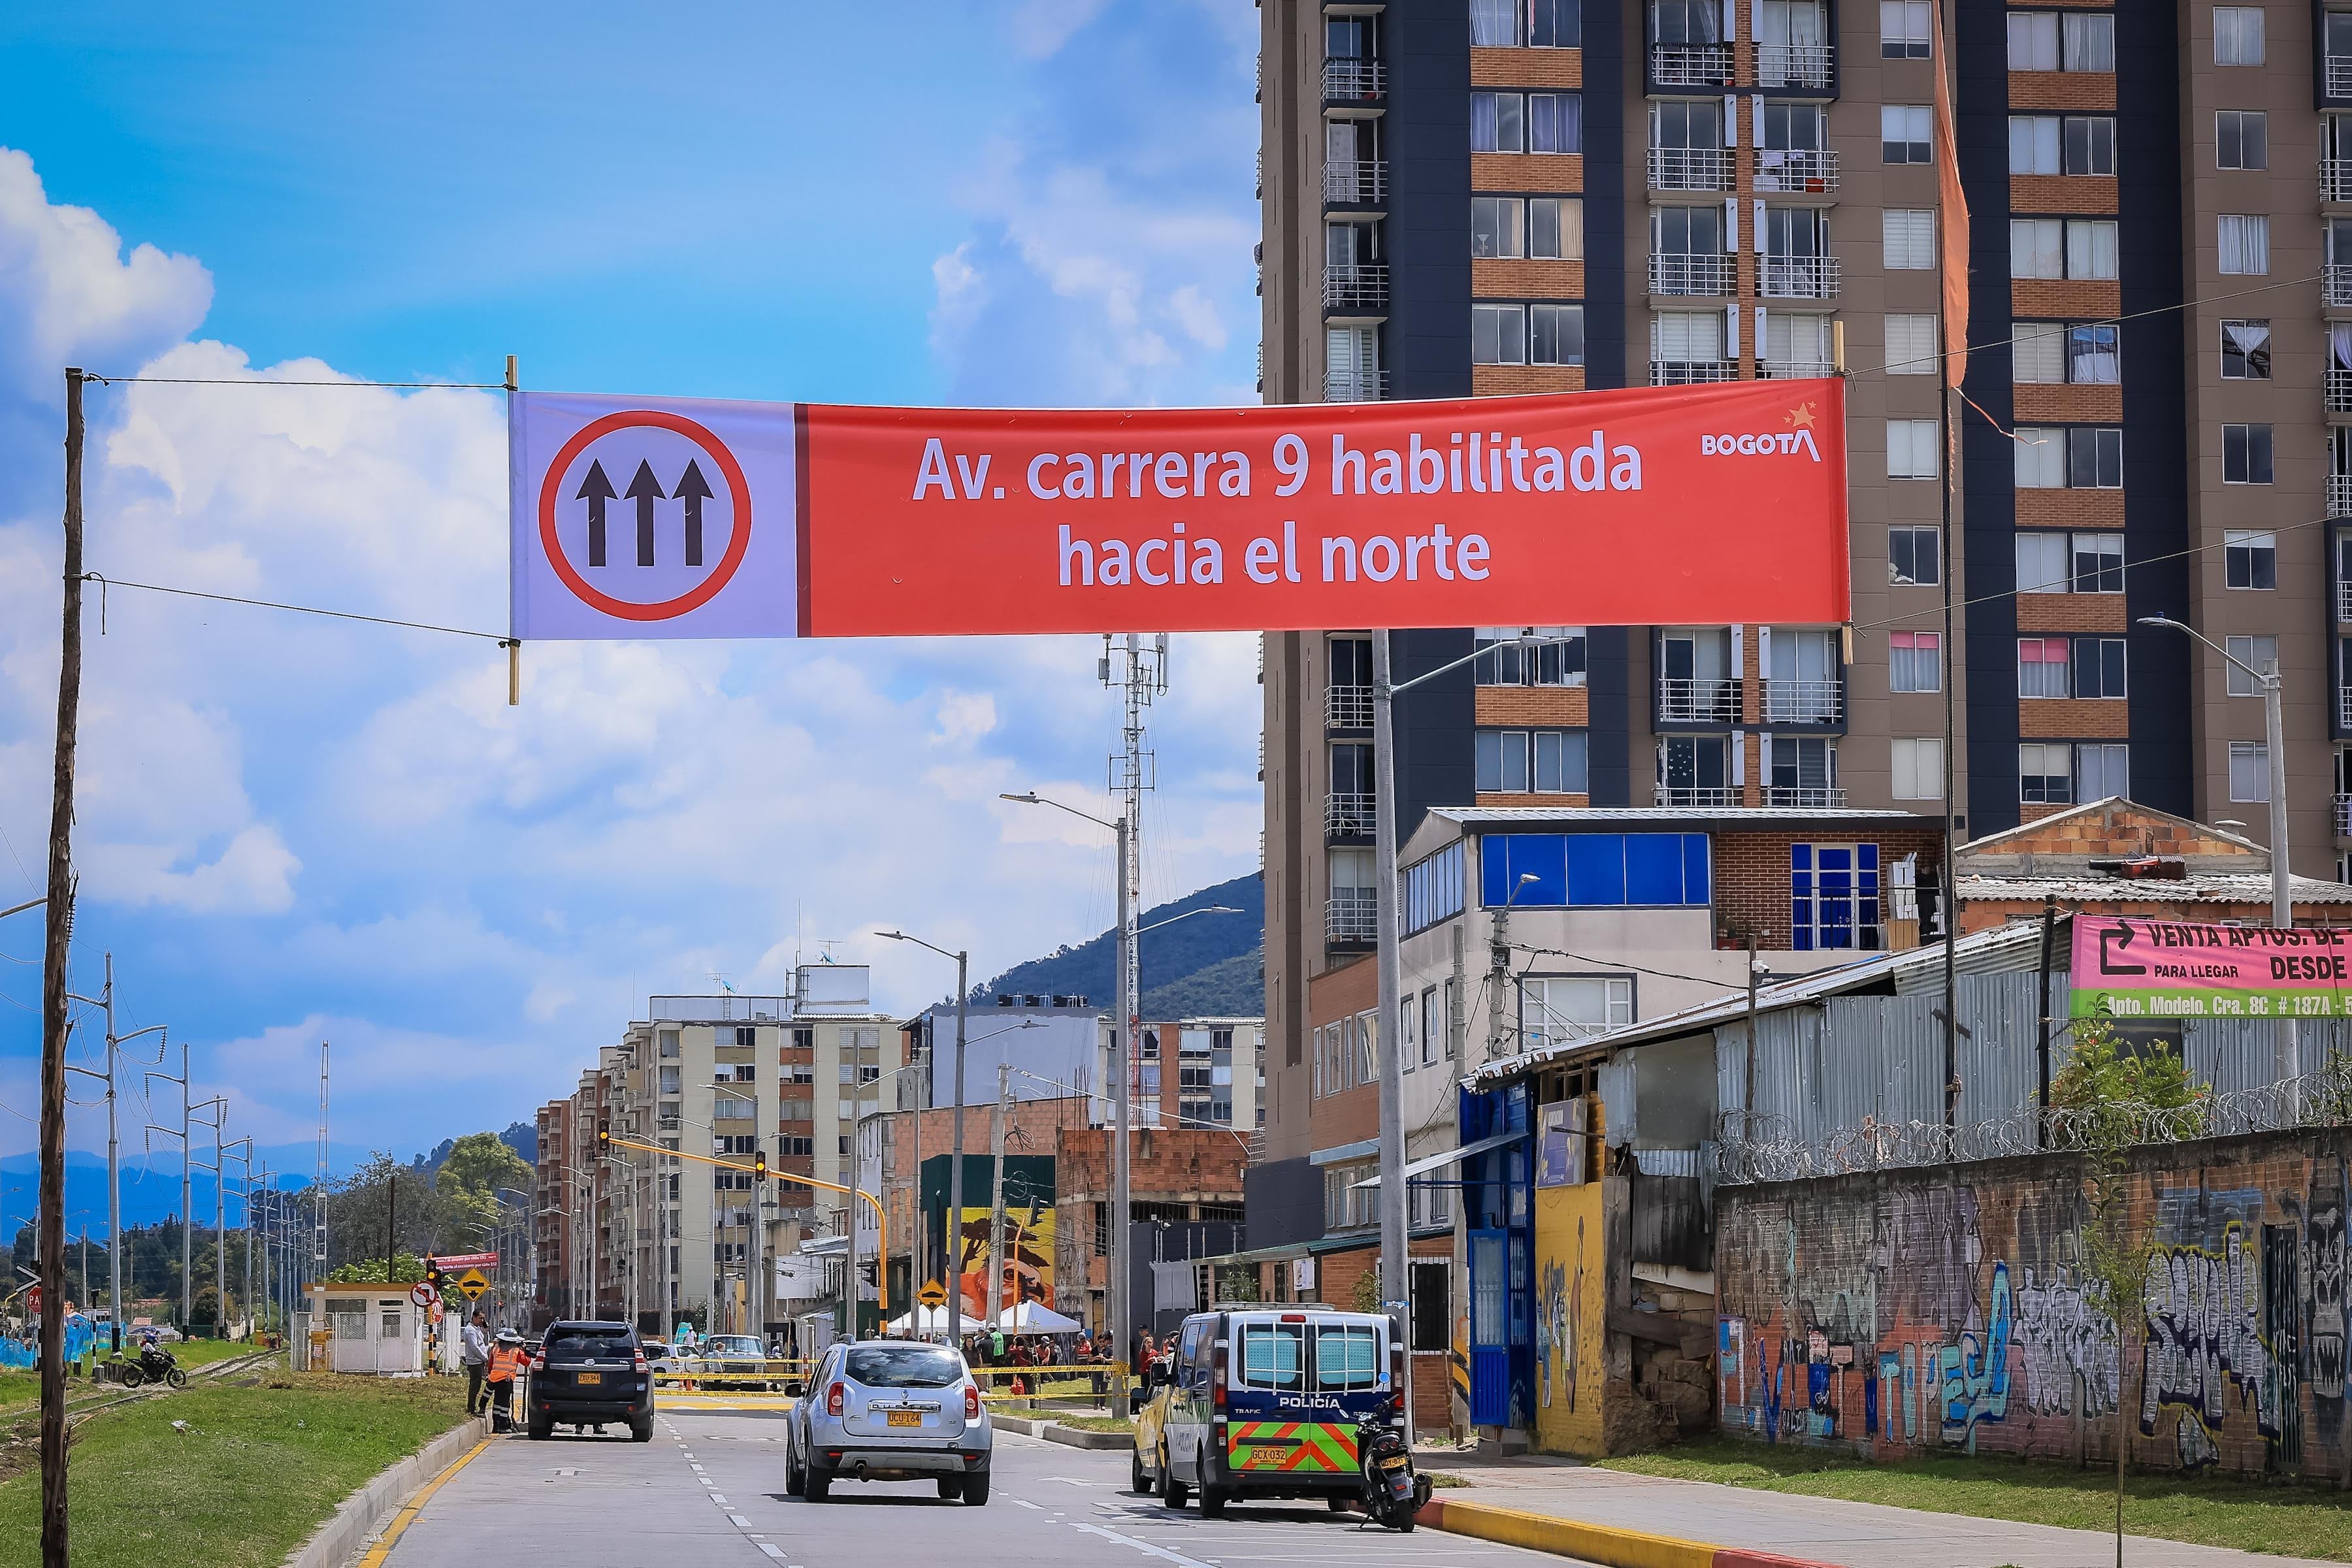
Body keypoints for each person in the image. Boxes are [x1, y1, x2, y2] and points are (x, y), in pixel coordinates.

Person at [485, 1329, 524, 1431]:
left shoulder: (495, 1349)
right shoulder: (516, 1351)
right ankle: (503, 1426)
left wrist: (490, 1374)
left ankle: (496, 1427)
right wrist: (524, 1350)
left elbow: (490, 1364)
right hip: (507, 1380)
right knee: (505, 1405)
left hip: (495, 1379)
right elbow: (527, 1362)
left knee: (497, 1403)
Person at [460, 1311, 491, 1416]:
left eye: (483, 1319)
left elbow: (485, 1343)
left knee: (477, 1385)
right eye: (480, 1318)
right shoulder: (470, 1330)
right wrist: (485, 1358)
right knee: (475, 1385)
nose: (482, 1320)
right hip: (475, 1362)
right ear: (473, 1317)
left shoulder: (477, 1329)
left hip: (479, 1361)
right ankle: (471, 1408)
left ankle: (472, 1407)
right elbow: (474, 1347)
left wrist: (486, 1331)